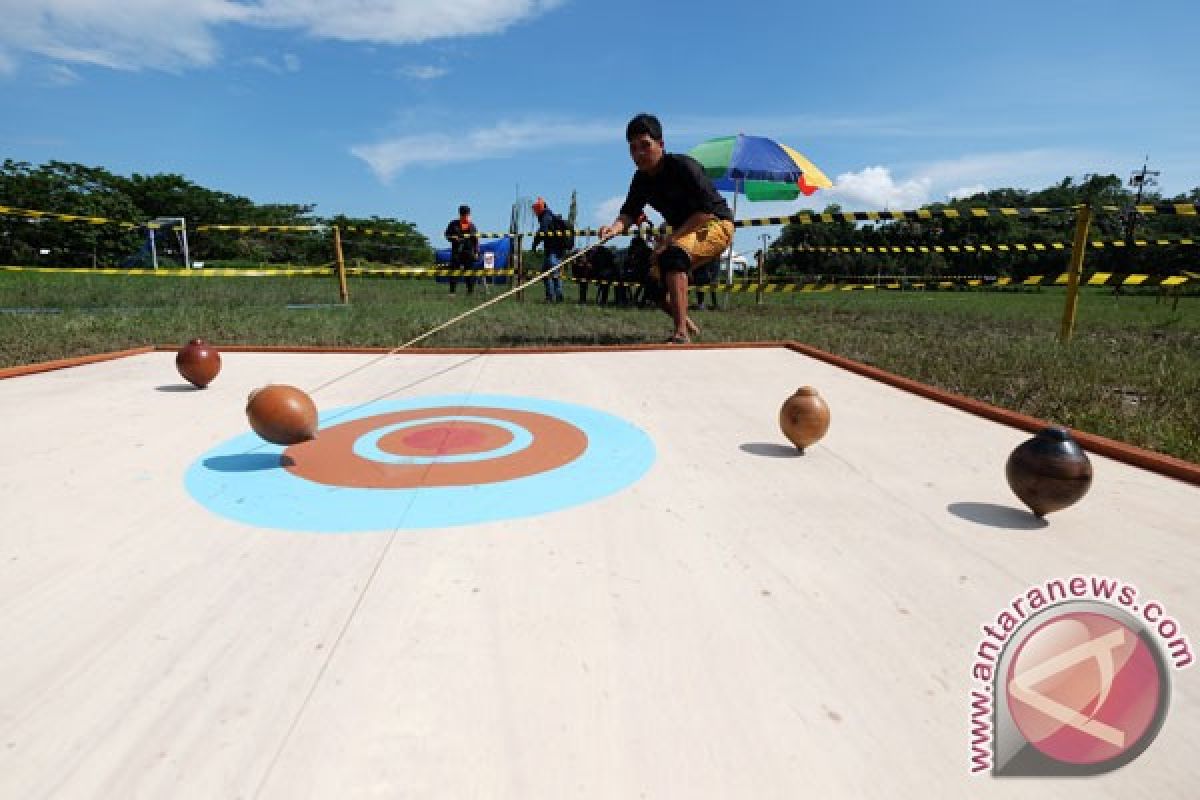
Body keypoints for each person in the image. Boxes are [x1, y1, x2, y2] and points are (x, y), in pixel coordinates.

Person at [599, 113, 735, 343]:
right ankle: (687, 323)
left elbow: (705, 211)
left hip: (716, 223)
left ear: (660, 144)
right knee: (652, 285)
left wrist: (670, 240)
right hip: (683, 232)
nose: (639, 154)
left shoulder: (683, 166)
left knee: (673, 257)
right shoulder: (640, 179)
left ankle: (681, 334)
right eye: (632, 148)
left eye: (645, 145)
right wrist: (613, 228)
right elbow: (630, 212)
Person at [530, 196, 566, 303]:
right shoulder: (547, 215)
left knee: (553, 273)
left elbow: (542, 231)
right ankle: (551, 296)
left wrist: (535, 244)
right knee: (546, 273)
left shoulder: (546, 216)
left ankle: (557, 297)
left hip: (553, 250)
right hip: (553, 249)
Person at [444, 204, 479, 295]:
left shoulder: (472, 226)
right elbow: (447, 235)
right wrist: (453, 238)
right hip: (457, 251)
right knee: (454, 271)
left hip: (469, 251)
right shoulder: (453, 224)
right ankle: (452, 292)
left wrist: (476, 252)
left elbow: (476, 240)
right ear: (460, 214)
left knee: (469, 272)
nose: (466, 216)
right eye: (464, 214)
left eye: (467, 214)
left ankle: (470, 292)